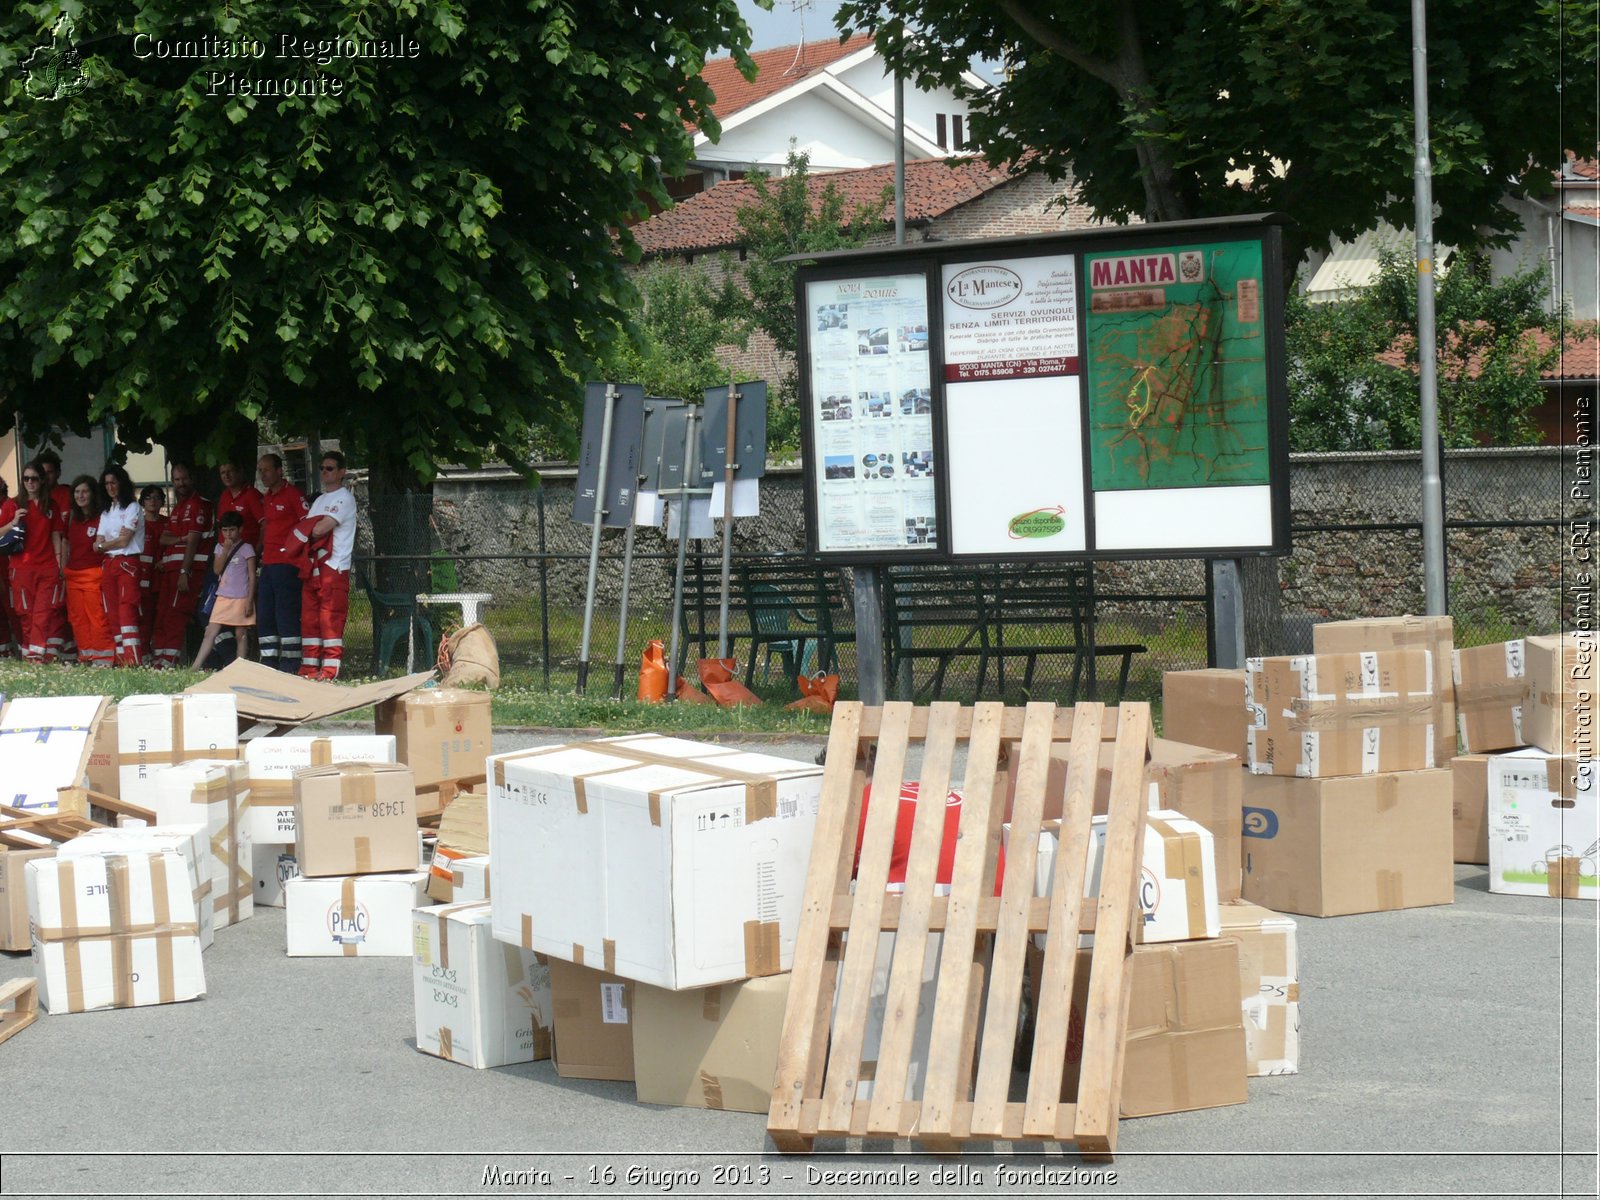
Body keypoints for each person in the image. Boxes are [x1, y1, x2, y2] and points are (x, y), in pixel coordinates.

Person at [150, 462, 213, 669]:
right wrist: (181, 538)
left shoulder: (199, 504)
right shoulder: (177, 507)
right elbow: (163, 540)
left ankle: (169, 662)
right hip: (169, 570)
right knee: (162, 615)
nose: (181, 483)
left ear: (192, 479)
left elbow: (193, 541)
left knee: (175, 617)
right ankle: (158, 661)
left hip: (187, 571)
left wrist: (185, 571)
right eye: (176, 480)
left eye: (184, 478)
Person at [299, 450, 356, 681]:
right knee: (310, 617)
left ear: (342, 472)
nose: (325, 472)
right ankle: (309, 668)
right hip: (312, 566)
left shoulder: (345, 498)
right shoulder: (321, 500)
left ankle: (330, 669)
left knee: (330, 618)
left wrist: (309, 528)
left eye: (330, 468)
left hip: (334, 566)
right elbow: (308, 528)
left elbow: (318, 529)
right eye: (322, 468)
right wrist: (310, 528)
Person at [10, 460, 67, 663]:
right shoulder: (14, 504)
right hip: (21, 566)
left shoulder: (51, 505)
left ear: (42, 480)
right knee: (25, 613)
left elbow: (56, 535)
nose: (30, 482)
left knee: (43, 612)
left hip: (47, 566)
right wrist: (13, 521)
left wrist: (60, 563)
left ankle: (36, 655)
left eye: (34, 478)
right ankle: (29, 655)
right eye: (26, 478)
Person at [256, 452, 309, 672]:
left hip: (287, 564)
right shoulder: (267, 497)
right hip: (268, 564)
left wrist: (293, 551)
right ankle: (268, 661)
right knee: (265, 612)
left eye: (267, 470)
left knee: (285, 612)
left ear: (280, 471)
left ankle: (290, 662)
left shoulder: (294, 495)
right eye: (260, 470)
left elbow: (307, 525)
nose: (263, 474)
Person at [193, 510, 256, 670]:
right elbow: (216, 570)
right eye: (225, 530)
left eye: (232, 530)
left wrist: (249, 601)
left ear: (240, 529)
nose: (228, 534)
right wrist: (225, 550)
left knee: (240, 634)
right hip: (222, 597)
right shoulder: (219, 548)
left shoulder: (247, 548)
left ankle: (239, 667)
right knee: (210, 632)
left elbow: (252, 576)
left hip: (241, 597)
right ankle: (195, 666)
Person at [98, 464, 147, 667]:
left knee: (127, 612)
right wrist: (105, 544)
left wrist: (103, 545)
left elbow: (124, 541)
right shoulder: (107, 510)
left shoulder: (133, 507)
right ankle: (120, 662)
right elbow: (101, 538)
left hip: (128, 563)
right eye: (107, 483)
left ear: (122, 484)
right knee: (113, 615)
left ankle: (133, 661)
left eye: (114, 482)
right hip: (109, 563)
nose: (110, 487)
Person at [63, 475, 114, 667]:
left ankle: (103, 660)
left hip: (94, 574)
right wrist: (62, 567)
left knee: (98, 618)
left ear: (93, 493)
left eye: (85, 491)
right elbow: (65, 541)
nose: (80, 495)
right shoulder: (71, 517)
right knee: (77, 619)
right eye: (77, 491)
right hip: (72, 575)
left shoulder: (102, 517)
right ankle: (86, 658)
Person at [0, 477, 22, 658]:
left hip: (8, 567)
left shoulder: (9, 506)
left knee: (13, 609)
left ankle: (23, 648)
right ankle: (5, 651)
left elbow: (14, 533)